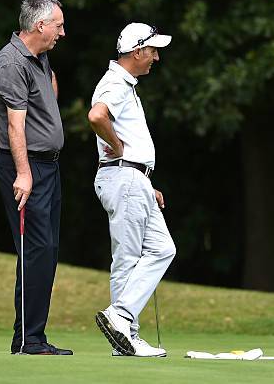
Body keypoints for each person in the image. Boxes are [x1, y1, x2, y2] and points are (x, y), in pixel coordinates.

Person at [0, 0, 72, 355]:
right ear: (40, 26)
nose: (62, 33)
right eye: (59, 26)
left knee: (46, 249)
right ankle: (27, 340)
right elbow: (14, 124)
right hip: (26, 167)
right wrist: (24, 173)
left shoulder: (38, 58)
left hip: (48, 165)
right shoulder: (10, 63)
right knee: (34, 249)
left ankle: (34, 336)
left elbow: (47, 95)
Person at [88, 23, 176, 357]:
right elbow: (97, 116)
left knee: (162, 249)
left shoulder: (126, 84)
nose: (156, 58)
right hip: (123, 176)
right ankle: (124, 325)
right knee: (127, 258)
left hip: (133, 179)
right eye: (153, 51)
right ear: (137, 51)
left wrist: (143, 181)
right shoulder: (116, 83)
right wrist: (120, 150)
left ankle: (123, 323)